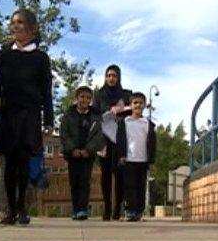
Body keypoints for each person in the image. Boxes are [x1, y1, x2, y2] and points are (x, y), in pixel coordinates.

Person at [0, 8, 54, 226]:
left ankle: (22, 207)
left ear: (32, 29)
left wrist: (49, 120)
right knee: (8, 159)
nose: (15, 26)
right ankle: (10, 211)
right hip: (7, 112)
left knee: (23, 161)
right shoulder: (4, 54)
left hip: (30, 114)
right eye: (13, 22)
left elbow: (46, 91)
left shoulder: (41, 58)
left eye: (21, 22)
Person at [93, 65, 132, 220]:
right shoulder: (99, 94)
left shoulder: (126, 94)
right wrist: (108, 112)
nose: (111, 78)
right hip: (105, 139)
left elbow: (133, 110)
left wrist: (120, 111)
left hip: (121, 138)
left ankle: (117, 209)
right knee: (106, 174)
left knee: (120, 174)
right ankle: (107, 208)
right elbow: (94, 115)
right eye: (108, 75)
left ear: (119, 77)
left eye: (114, 75)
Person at [60, 86, 105, 220]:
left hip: (87, 155)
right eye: (82, 97)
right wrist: (72, 149)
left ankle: (83, 210)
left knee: (85, 182)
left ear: (90, 100)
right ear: (77, 98)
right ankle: (76, 209)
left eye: (88, 98)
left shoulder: (96, 116)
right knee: (74, 182)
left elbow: (99, 136)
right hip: (73, 155)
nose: (84, 100)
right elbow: (64, 134)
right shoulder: (68, 115)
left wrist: (88, 150)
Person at [115, 92, 156, 222]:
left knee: (141, 186)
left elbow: (152, 143)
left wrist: (152, 160)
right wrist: (121, 155)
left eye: (140, 103)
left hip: (143, 160)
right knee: (129, 186)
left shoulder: (148, 124)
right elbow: (120, 140)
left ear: (144, 105)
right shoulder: (124, 122)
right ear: (130, 106)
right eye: (135, 103)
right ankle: (131, 211)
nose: (138, 105)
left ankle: (139, 211)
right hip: (128, 159)